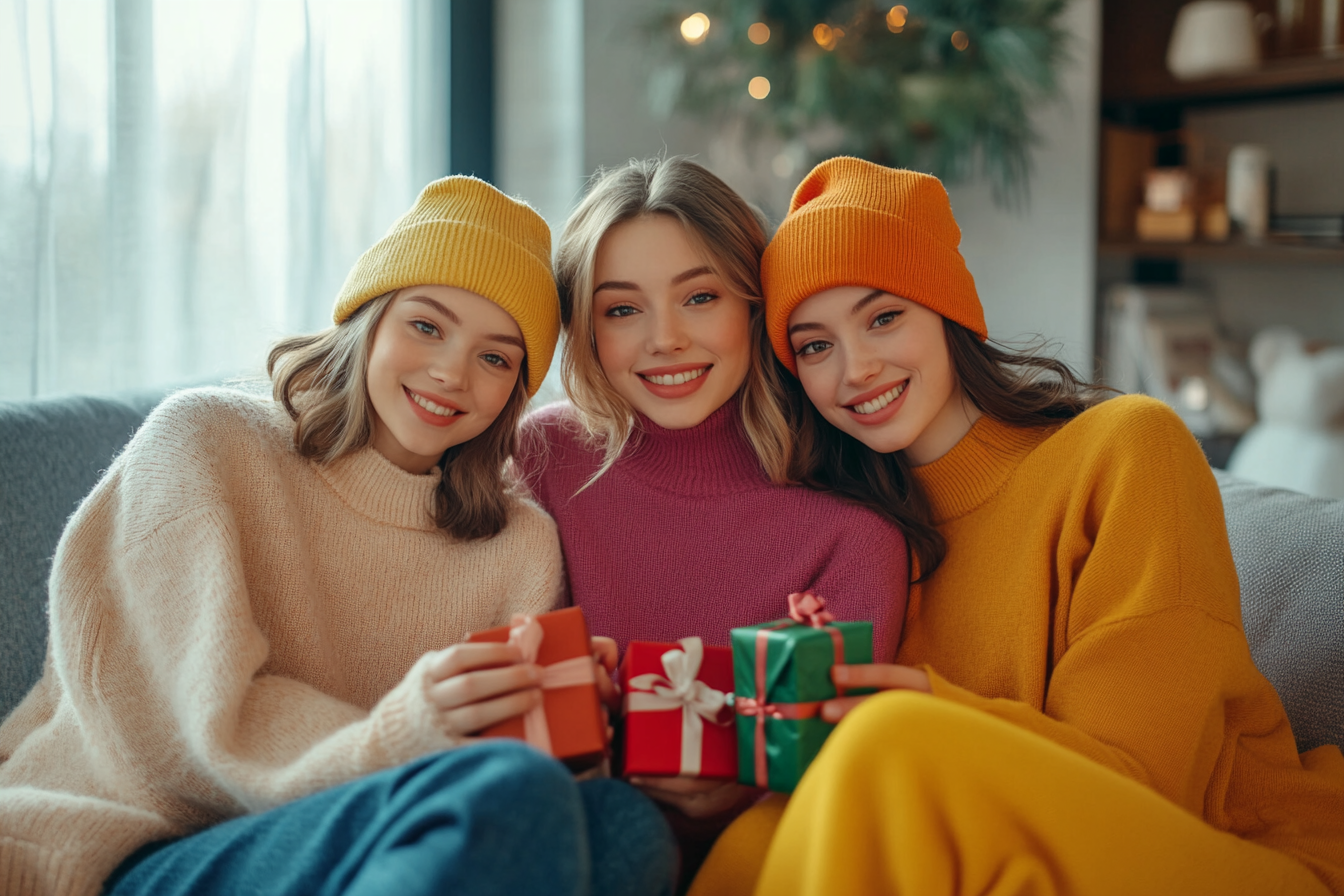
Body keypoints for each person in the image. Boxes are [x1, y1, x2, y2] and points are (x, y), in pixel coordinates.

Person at [0, 176, 676, 896]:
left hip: (353, 837)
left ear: (516, 390)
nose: (451, 372)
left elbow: (510, 767)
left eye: (496, 357)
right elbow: (166, 731)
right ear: (369, 318)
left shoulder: (518, 544)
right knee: (506, 791)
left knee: (621, 820)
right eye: (426, 325)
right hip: (132, 840)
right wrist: (401, 732)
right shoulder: (203, 443)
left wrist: (573, 712)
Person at [699, 156, 1344, 896]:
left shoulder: (1129, 451)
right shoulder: (859, 532)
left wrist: (926, 707)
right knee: (771, 821)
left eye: (884, 317)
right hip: (1003, 853)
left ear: (946, 310)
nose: (856, 368)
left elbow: (1149, 781)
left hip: (1226, 850)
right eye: (815, 345)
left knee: (887, 739)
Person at [511, 157, 909, 873]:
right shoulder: (543, 458)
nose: (665, 339)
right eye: (622, 309)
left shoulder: (853, 533)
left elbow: (835, 797)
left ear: (754, 306)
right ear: (585, 329)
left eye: (700, 298)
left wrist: (743, 791)